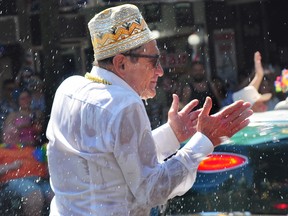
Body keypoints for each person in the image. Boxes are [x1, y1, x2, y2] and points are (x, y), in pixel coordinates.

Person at [46, 4, 253, 215]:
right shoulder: (124, 104)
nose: (161, 71)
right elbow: (151, 189)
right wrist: (204, 141)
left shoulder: (68, 88)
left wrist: (172, 134)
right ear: (121, 64)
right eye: (154, 61)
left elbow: (113, 163)